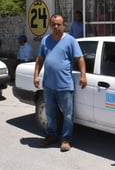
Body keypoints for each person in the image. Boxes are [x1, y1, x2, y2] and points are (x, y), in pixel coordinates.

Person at [33, 14, 87, 152]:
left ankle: (66, 139)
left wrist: (83, 76)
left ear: (64, 25)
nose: (56, 27)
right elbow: (40, 59)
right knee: (50, 113)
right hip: (49, 85)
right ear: (50, 25)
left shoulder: (70, 40)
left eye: (59, 24)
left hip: (65, 85)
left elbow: (80, 58)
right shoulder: (45, 40)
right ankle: (51, 136)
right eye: (53, 24)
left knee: (68, 115)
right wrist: (36, 76)